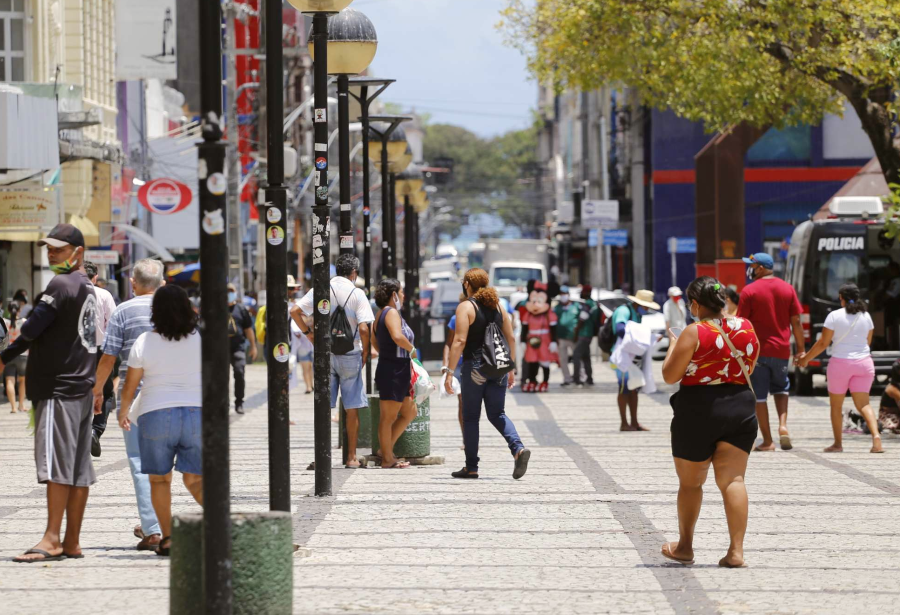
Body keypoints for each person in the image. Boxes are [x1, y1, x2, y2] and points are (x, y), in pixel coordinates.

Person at [0, 224, 98, 562]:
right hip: (81, 389)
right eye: (49, 248)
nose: (51, 253)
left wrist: (3, 359)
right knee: (78, 470)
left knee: (57, 466)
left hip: (59, 389)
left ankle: (52, 538)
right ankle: (71, 541)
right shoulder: (88, 287)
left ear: (77, 252)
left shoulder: (61, 284)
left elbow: (29, 330)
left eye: (57, 248)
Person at [661, 277, 760, 568]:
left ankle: (685, 547)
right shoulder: (746, 326)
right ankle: (736, 551)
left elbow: (670, 375)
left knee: (691, 484)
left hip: (698, 409)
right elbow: (750, 364)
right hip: (740, 404)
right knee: (733, 480)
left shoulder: (693, 332)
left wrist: (674, 344)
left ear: (694, 304)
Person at [118, 285, 203, 557]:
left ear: (155, 312)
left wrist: (123, 411)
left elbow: (131, 384)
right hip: (195, 413)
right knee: (195, 480)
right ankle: (221, 528)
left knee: (159, 481)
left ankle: (167, 538)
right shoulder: (199, 339)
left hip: (155, 414)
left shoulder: (144, 341)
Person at [93, 258, 164, 551]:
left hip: (134, 397)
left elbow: (109, 358)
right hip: (171, 395)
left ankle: (154, 529)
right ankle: (164, 524)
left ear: (133, 283)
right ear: (161, 283)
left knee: (139, 461)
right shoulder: (174, 310)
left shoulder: (122, 311)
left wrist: (97, 392)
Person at [445, 268, 531, 480]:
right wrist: (510, 369)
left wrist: (449, 371)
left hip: (475, 367)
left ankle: (471, 467)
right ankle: (518, 448)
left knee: (471, 417)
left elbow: (459, 341)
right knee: (497, 414)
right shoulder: (499, 307)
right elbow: (510, 338)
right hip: (499, 367)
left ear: (467, 284)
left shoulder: (466, 307)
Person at [291, 254, 374, 468]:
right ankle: (351, 457)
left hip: (324, 355)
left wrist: (309, 334)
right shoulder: (357, 294)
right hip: (350, 354)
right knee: (352, 407)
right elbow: (364, 327)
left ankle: (322, 457)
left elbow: (295, 311)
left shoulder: (321, 289)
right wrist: (365, 351)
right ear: (354, 273)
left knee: (324, 406)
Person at [797, 283, 883, 453]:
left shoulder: (834, 316)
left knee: (836, 406)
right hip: (864, 363)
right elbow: (868, 341)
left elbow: (823, 343)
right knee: (864, 404)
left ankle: (838, 444)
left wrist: (805, 359)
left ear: (841, 298)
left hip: (840, 364)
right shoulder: (866, 316)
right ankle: (876, 438)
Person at [737, 253, 804, 451]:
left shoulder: (749, 291)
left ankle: (767, 441)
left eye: (752, 265)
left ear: (761, 268)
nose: (749, 269)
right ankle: (783, 426)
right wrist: (800, 349)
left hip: (757, 352)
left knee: (759, 396)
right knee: (781, 388)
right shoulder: (787, 288)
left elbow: (742, 324)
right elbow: (797, 322)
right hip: (782, 351)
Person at [371, 279, 418, 469]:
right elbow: (398, 337)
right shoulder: (390, 313)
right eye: (402, 292)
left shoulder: (380, 314)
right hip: (393, 369)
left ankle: (386, 449)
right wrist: (411, 349)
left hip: (397, 367)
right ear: (393, 295)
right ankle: (387, 458)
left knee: (410, 411)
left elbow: (375, 342)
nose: (404, 295)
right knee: (388, 417)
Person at [612, 290, 659, 431]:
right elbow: (620, 329)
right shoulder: (623, 311)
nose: (646, 309)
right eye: (645, 306)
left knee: (634, 389)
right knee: (623, 388)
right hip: (621, 357)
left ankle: (634, 422)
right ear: (637, 303)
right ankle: (624, 423)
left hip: (633, 356)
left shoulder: (636, 314)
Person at [84, 260, 118, 457]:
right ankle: (96, 430)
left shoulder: (70, 295)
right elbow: (112, 324)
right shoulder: (104, 294)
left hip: (76, 352)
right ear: (95, 277)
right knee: (105, 392)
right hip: (101, 351)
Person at [227, 283, 257, 414]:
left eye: (231, 291)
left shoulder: (241, 309)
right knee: (221, 378)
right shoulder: (216, 309)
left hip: (238, 347)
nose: (229, 294)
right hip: (220, 349)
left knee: (239, 373)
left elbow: (248, 329)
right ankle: (223, 403)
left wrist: (253, 346)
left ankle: (239, 402)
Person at [572, 284, 600, 386]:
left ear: (586, 293)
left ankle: (576, 379)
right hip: (590, 334)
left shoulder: (587, 304)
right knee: (586, 357)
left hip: (584, 334)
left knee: (576, 356)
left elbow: (582, 319)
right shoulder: (594, 304)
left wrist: (576, 332)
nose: (581, 294)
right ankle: (589, 378)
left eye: (582, 292)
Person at [553, 285, 581, 386]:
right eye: (561, 294)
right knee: (563, 360)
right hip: (561, 337)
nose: (563, 296)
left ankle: (579, 377)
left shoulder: (576, 306)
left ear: (568, 295)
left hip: (573, 337)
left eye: (564, 294)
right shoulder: (557, 308)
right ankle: (567, 379)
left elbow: (580, 321)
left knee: (577, 358)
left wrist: (577, 334)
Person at [3, 302, 27, 413]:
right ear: (19, 310)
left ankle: (13, 407)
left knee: (9, 380)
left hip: (9, 354)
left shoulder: (4, 322)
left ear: (8, 310)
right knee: (22, 381)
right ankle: (21, 405)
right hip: (23, 354)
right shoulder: (24, 322)